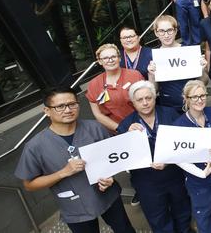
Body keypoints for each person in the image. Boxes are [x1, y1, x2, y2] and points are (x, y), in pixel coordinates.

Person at [15, 86, 135, 233]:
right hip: (74, 206)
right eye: (60, 106)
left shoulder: (96, 128)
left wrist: (110, 176)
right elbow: (29, 185)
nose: (68, 110)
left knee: (125, 230)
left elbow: (112, 158)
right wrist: (63, 173)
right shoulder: (35, 146)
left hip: (108, 196)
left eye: (72, 104)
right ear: (47, 111)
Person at [116, 81, 191, 233]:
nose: (145, 103)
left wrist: (168, 161)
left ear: (155, 97)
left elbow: (184, 144)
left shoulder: (171, 114)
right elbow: (124, 159)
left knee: (182, 209)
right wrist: (127, 137)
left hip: (175, 174)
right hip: (147, 181)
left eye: (148, 98)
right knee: (157, 216)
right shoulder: (126, 125)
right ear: (133, 103)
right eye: (140, 100)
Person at [174, 80, 211, 233]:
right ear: (186, 98)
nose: (200, 100)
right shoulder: (180, 125)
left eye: (202, 95)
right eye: (194, 97)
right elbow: (177, 157)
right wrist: (201, 173)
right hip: (198, 178)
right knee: (203, 212)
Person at [148, 15, 207, 113]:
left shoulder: (188, 52)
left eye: (169, 30)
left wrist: (202, 70)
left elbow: (204, 82)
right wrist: (151, 75)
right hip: (168, 107)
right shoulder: (153, 56)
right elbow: (154, 90)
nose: (166, 35)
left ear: (175, 31)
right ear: (156, 32)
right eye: (162, 31)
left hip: (193, 105)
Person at [86, 43, 144, 133]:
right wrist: (121, 128)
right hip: (115, 131)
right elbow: (98, 114)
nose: (110, 60)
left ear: (119, 58)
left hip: (140, 126)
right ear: (100, 62)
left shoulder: (134, 75)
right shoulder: (94, 84)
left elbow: (147, 101)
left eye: (113, 56)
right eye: (105, 58)